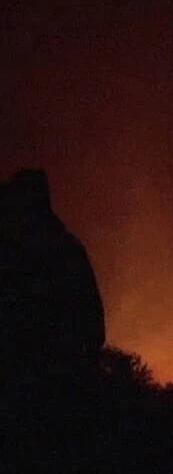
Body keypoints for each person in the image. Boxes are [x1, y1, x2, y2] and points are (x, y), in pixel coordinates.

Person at [0, 169, 105, 414]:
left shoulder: (18, 251)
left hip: (32, 375)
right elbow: (92, 316)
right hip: (58, 375)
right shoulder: (66, 247)